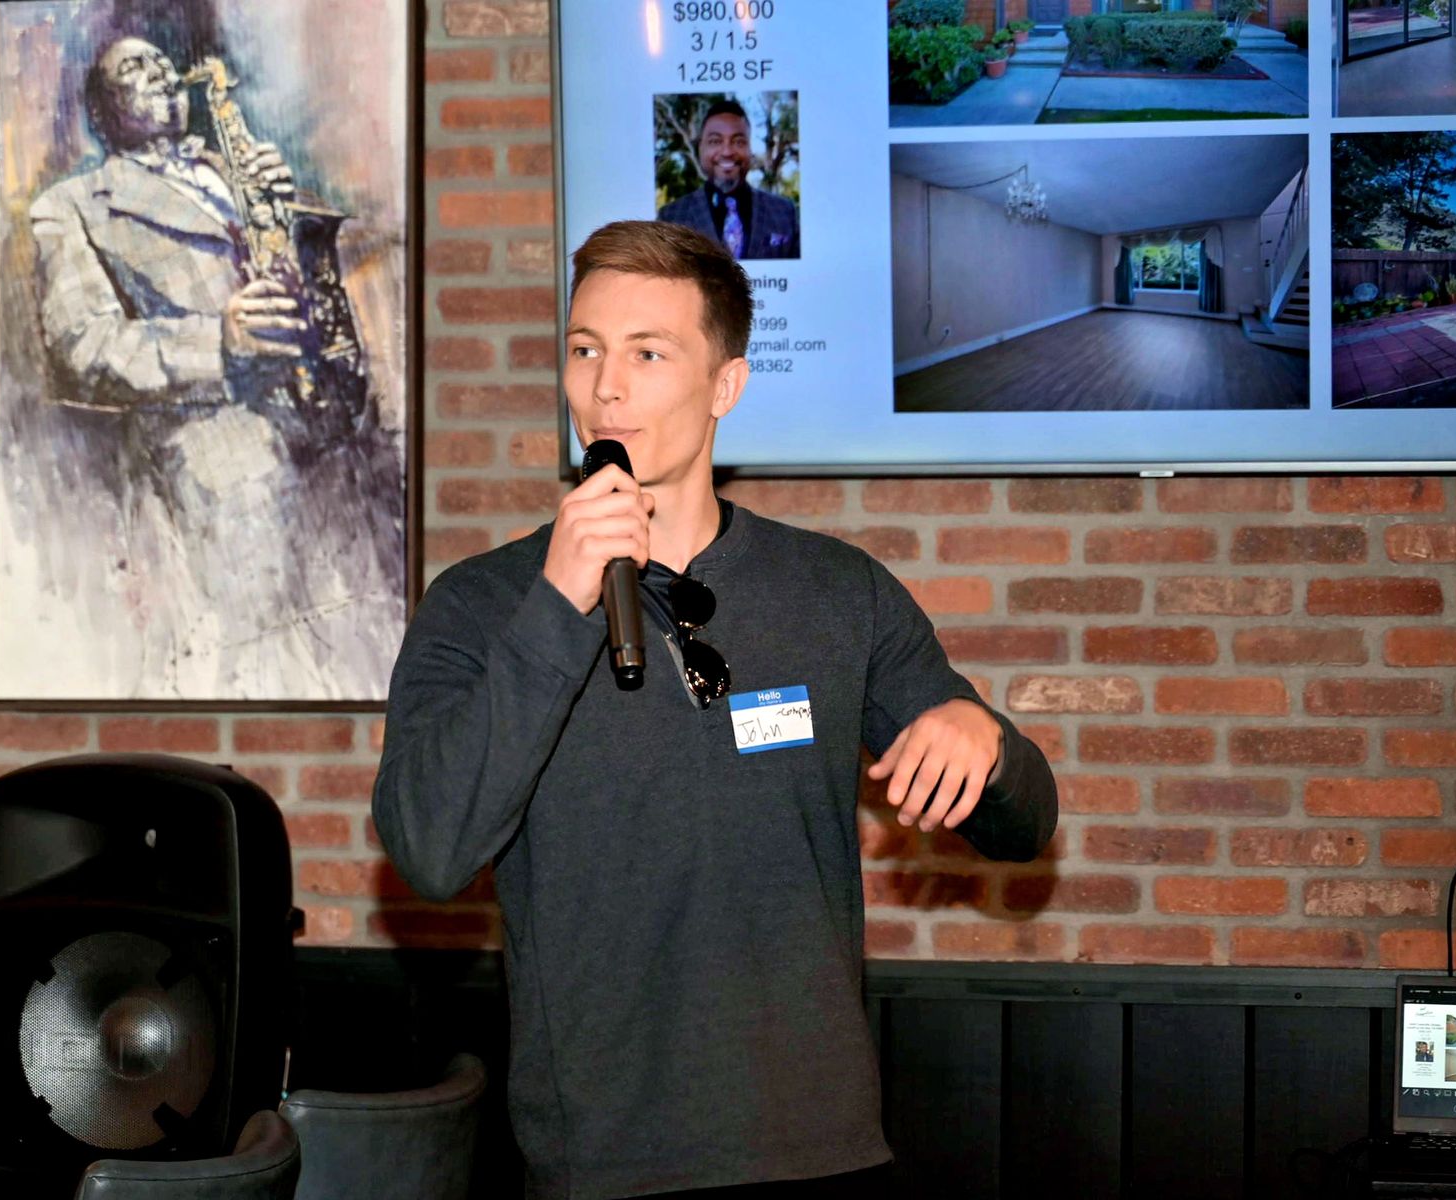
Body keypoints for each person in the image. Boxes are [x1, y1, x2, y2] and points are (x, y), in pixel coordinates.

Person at [372, 220, 1057, 1198]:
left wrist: (985, 741)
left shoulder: (836, 592)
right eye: (585, 350)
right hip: (604, 1163)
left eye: (648, 354)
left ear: (724, 386)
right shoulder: (481, 607)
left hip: (820, 1149)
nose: (606, 388)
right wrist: (557, 607)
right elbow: (430, 851)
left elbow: (1025, 826)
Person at [22, 35, 403, 700]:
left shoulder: (232, 168)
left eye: (162, 62)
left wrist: (283, 209)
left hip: (316, 401)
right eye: (135, 68)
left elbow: (291, 262)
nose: (162, 72)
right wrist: (219, 340)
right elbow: (82, 347)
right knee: (268, 625)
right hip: (205, 425)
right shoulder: (71, 206)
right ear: (102, 113)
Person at [657, 99, 800, 260]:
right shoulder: (670, 217)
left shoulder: (785, 212)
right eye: (715, 141)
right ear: (700, 149)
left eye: (738, 141)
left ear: (750, 148)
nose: (727, 152)